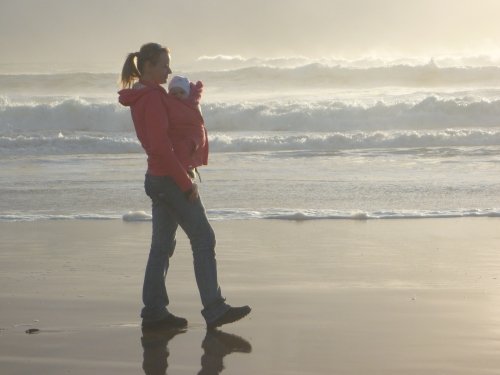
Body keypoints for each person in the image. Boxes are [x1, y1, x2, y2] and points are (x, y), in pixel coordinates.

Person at [118, 42, 250, 330]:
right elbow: (161, 147)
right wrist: (185, 182)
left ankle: (154, 311)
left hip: (158, 178)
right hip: (169, 178)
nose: (169, 70)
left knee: (162, 246)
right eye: (164, 65)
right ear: (149, 67)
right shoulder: (152, 99)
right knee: (203, 238)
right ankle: (214, 308)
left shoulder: (144, 95)